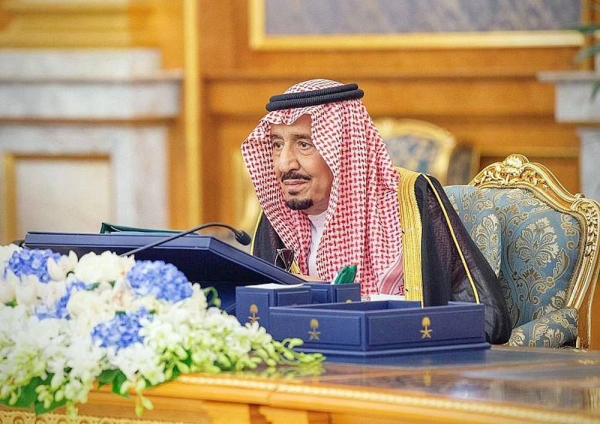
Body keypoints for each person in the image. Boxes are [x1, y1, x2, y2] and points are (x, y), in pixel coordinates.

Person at [241, 79, 510, 344]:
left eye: (304, 144)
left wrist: (334, 297)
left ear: (342, 148)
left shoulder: (411, 200)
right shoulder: (278, 214)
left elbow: (488, 319)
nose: (285, 163)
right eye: (277, 144)